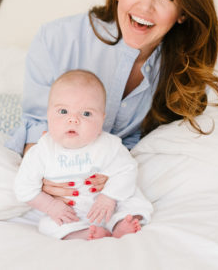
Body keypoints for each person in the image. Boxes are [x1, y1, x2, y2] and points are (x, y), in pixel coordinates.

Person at [8, 0, 218, 208]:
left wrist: (117, 175)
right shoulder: (56, 40)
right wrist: (44, 178)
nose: (145, 6)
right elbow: (37, 123)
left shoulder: (183, 68)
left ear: (183, 12)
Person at [14, 70, 152, 240]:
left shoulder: (109, 145)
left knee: (134, 200)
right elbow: (24, 188)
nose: (73, 120)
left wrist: (109, 197)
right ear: (48, 115)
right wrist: (51, 206)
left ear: (102, 120)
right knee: (47, 225)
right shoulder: (42, 151)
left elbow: (127, 170)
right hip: (71, 212)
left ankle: (120, 223)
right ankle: (84, 233)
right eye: (63, 111)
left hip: (111, 203)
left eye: (86, 113)